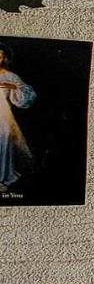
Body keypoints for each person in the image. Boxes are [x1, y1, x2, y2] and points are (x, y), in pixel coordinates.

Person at [0, 42, 37, 193]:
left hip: (3, 115)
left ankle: (2, 178)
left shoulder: (10, 76)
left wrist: (14, 87)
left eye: (0, 56)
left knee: (3, 142)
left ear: (4, 58)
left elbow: (28, 95)